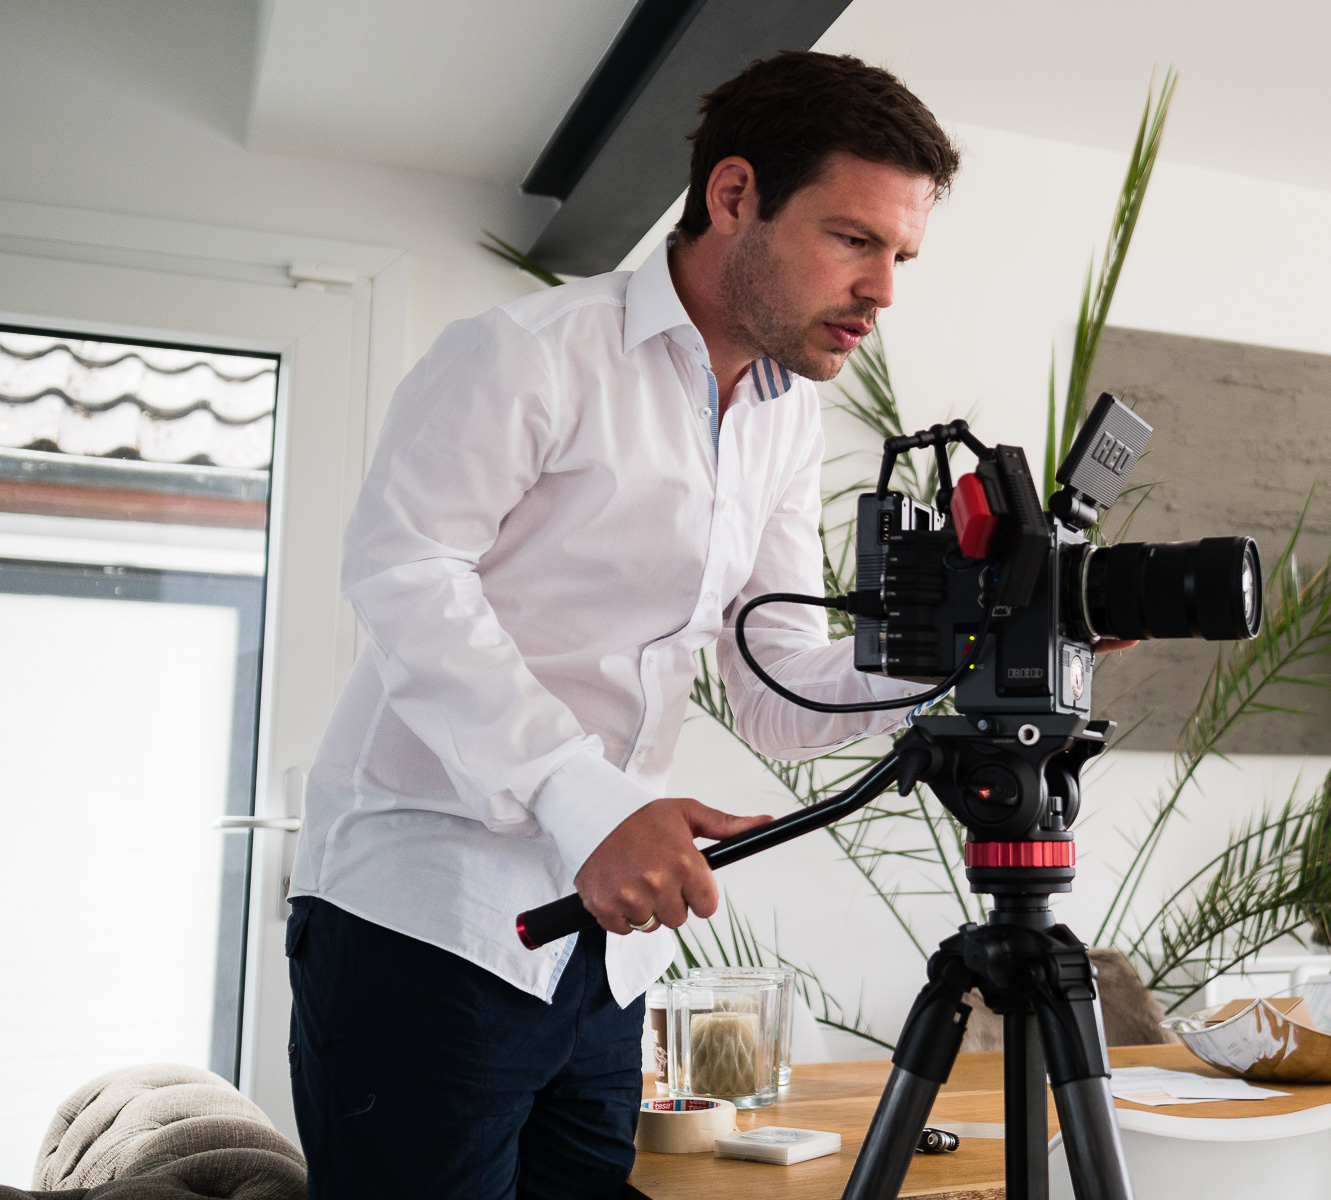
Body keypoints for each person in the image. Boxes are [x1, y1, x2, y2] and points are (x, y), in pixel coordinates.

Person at [284, 51, 960, 1199]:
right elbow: (403, 572)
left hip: (606, 963)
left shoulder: (783, 425)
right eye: (854, 239)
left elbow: (776, 682)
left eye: (900, 254)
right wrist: (589, 800)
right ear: (734, 195)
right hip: (428, 924)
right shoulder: (524, 356)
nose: (884, 290)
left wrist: (983, 653)